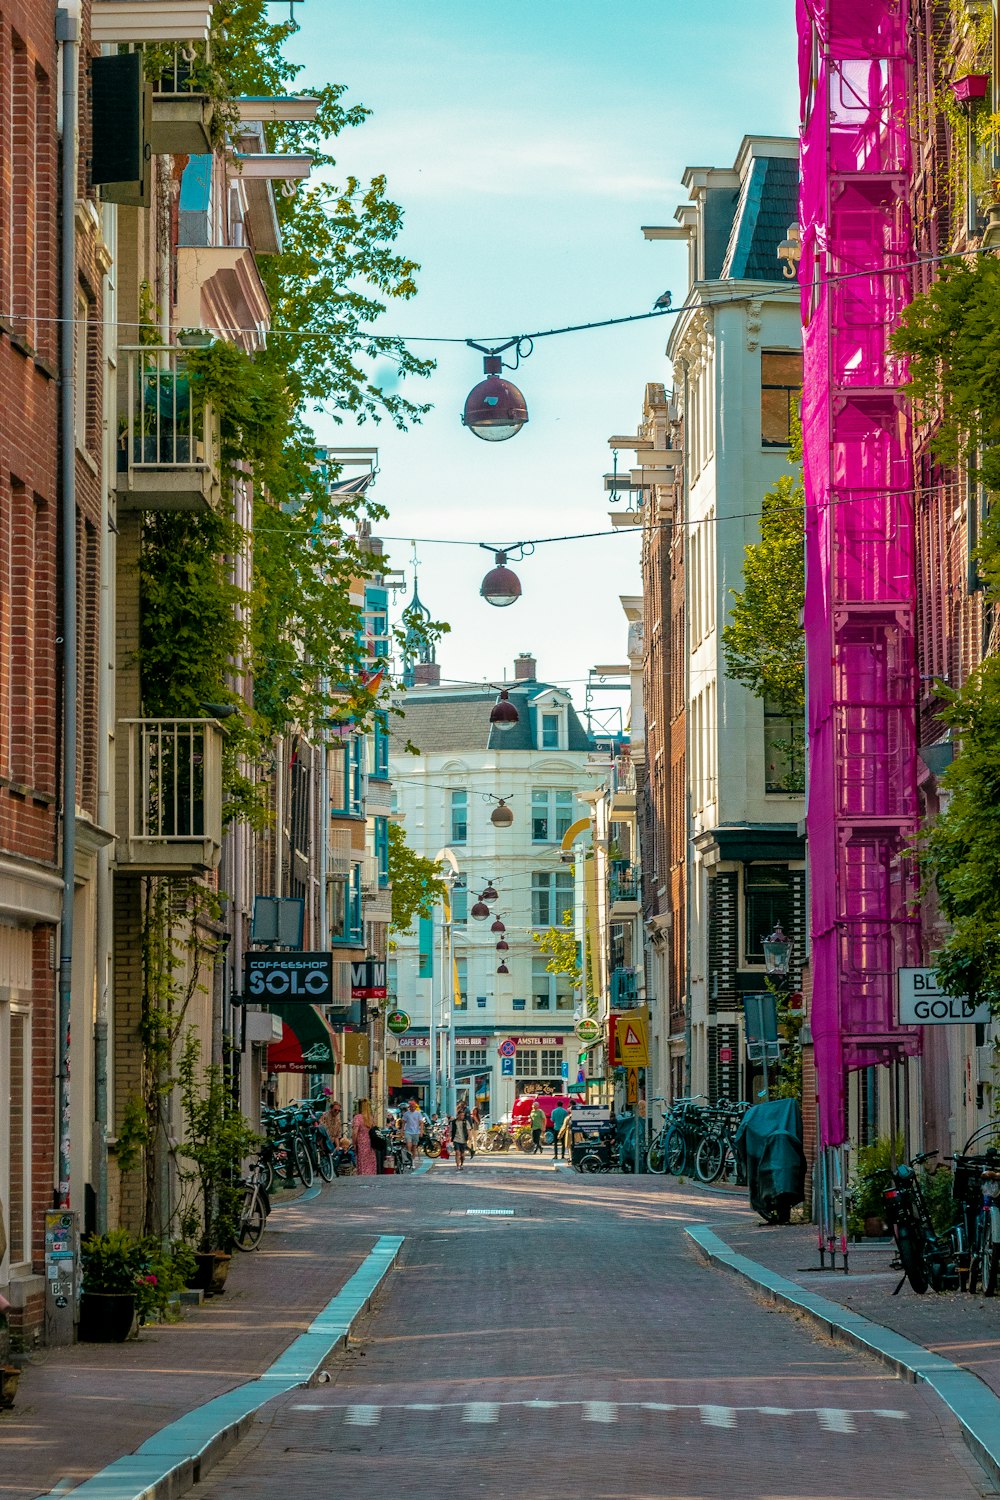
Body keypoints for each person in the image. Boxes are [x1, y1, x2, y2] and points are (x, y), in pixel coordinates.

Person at [352, 1098, 378, 1176]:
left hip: (361, 1142)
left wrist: (354, 1143)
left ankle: (363, 1175)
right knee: (370, 1161)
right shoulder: (370, 1118)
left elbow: (355, 1132)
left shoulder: (358, 1117)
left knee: (362, 1161)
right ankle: (371, 1175)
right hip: (371, 1143)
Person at [449, 1102, 473, 1170]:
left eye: (463, 1115)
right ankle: (457, 1165)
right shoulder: (453, 1122)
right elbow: (450, 1131)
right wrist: (450, 1138)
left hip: (463, 1139)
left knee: (462, 1155)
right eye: (461, 1115)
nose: (462, 1117)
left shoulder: (465, 1122)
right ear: (458, 1115)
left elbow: (469, 1130)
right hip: (456, 1139)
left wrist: (469, 1136)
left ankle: (461, 1164)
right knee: (457, 1152)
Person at [402, 1098, 425, 1164]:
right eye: (411, 1107)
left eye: (413, 1107)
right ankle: (409, 1157)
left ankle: (413, 1160)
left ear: (415, 1107)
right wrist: (402, 1131)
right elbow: (403, 1122)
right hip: (408, 1132)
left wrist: (421, 1131)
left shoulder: (418, 1114)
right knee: (409, 1145)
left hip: (416, 1132)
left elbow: (421, 1123)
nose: (412, 1108)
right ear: (409, 1107)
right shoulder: (406, 1114)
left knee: (414, 1147)